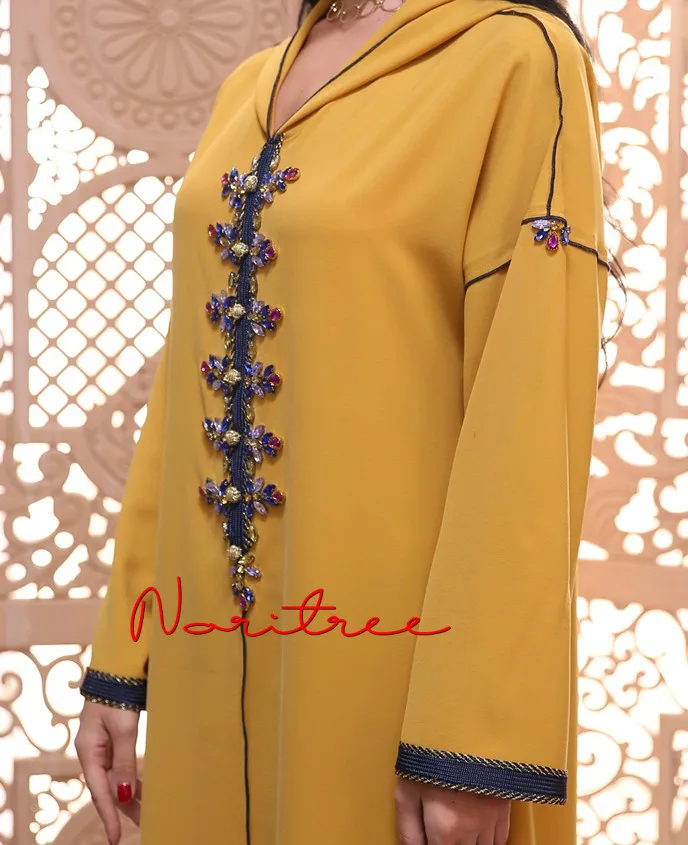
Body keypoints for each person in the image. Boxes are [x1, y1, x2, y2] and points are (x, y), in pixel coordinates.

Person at [74, 0, 613, 843]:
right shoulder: (250, 86)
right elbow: (186, 384)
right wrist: (123, 660)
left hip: (397, 681)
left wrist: (470, 743)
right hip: (203, 660)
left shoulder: (516, 57)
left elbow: (529, 408)